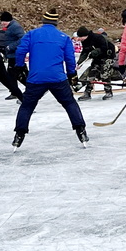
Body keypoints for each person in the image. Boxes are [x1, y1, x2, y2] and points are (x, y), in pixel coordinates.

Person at [12, 8, 88, 148]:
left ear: (43, 21)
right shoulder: (63, 37)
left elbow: (20, 51)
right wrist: (72, 75)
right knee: (69, 103)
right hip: (57, 78)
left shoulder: (32, 34)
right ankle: (81, 130)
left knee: (27, 106)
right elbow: (70, 59)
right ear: (56, 23)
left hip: (36, 78)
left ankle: (19, 134)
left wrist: (19, 66)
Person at [74, 25, 117, 100]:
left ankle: (108, 92)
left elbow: (104, 47)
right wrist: (79, 63)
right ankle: (87, 93)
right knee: (91, 74)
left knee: (104, 74)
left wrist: (96, 51)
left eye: (80, 37)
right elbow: (85, 52)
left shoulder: (97, 37)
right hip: (97, 58)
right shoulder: (85, 41)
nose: (79, 39)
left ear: (85, 35)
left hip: (107, 57)